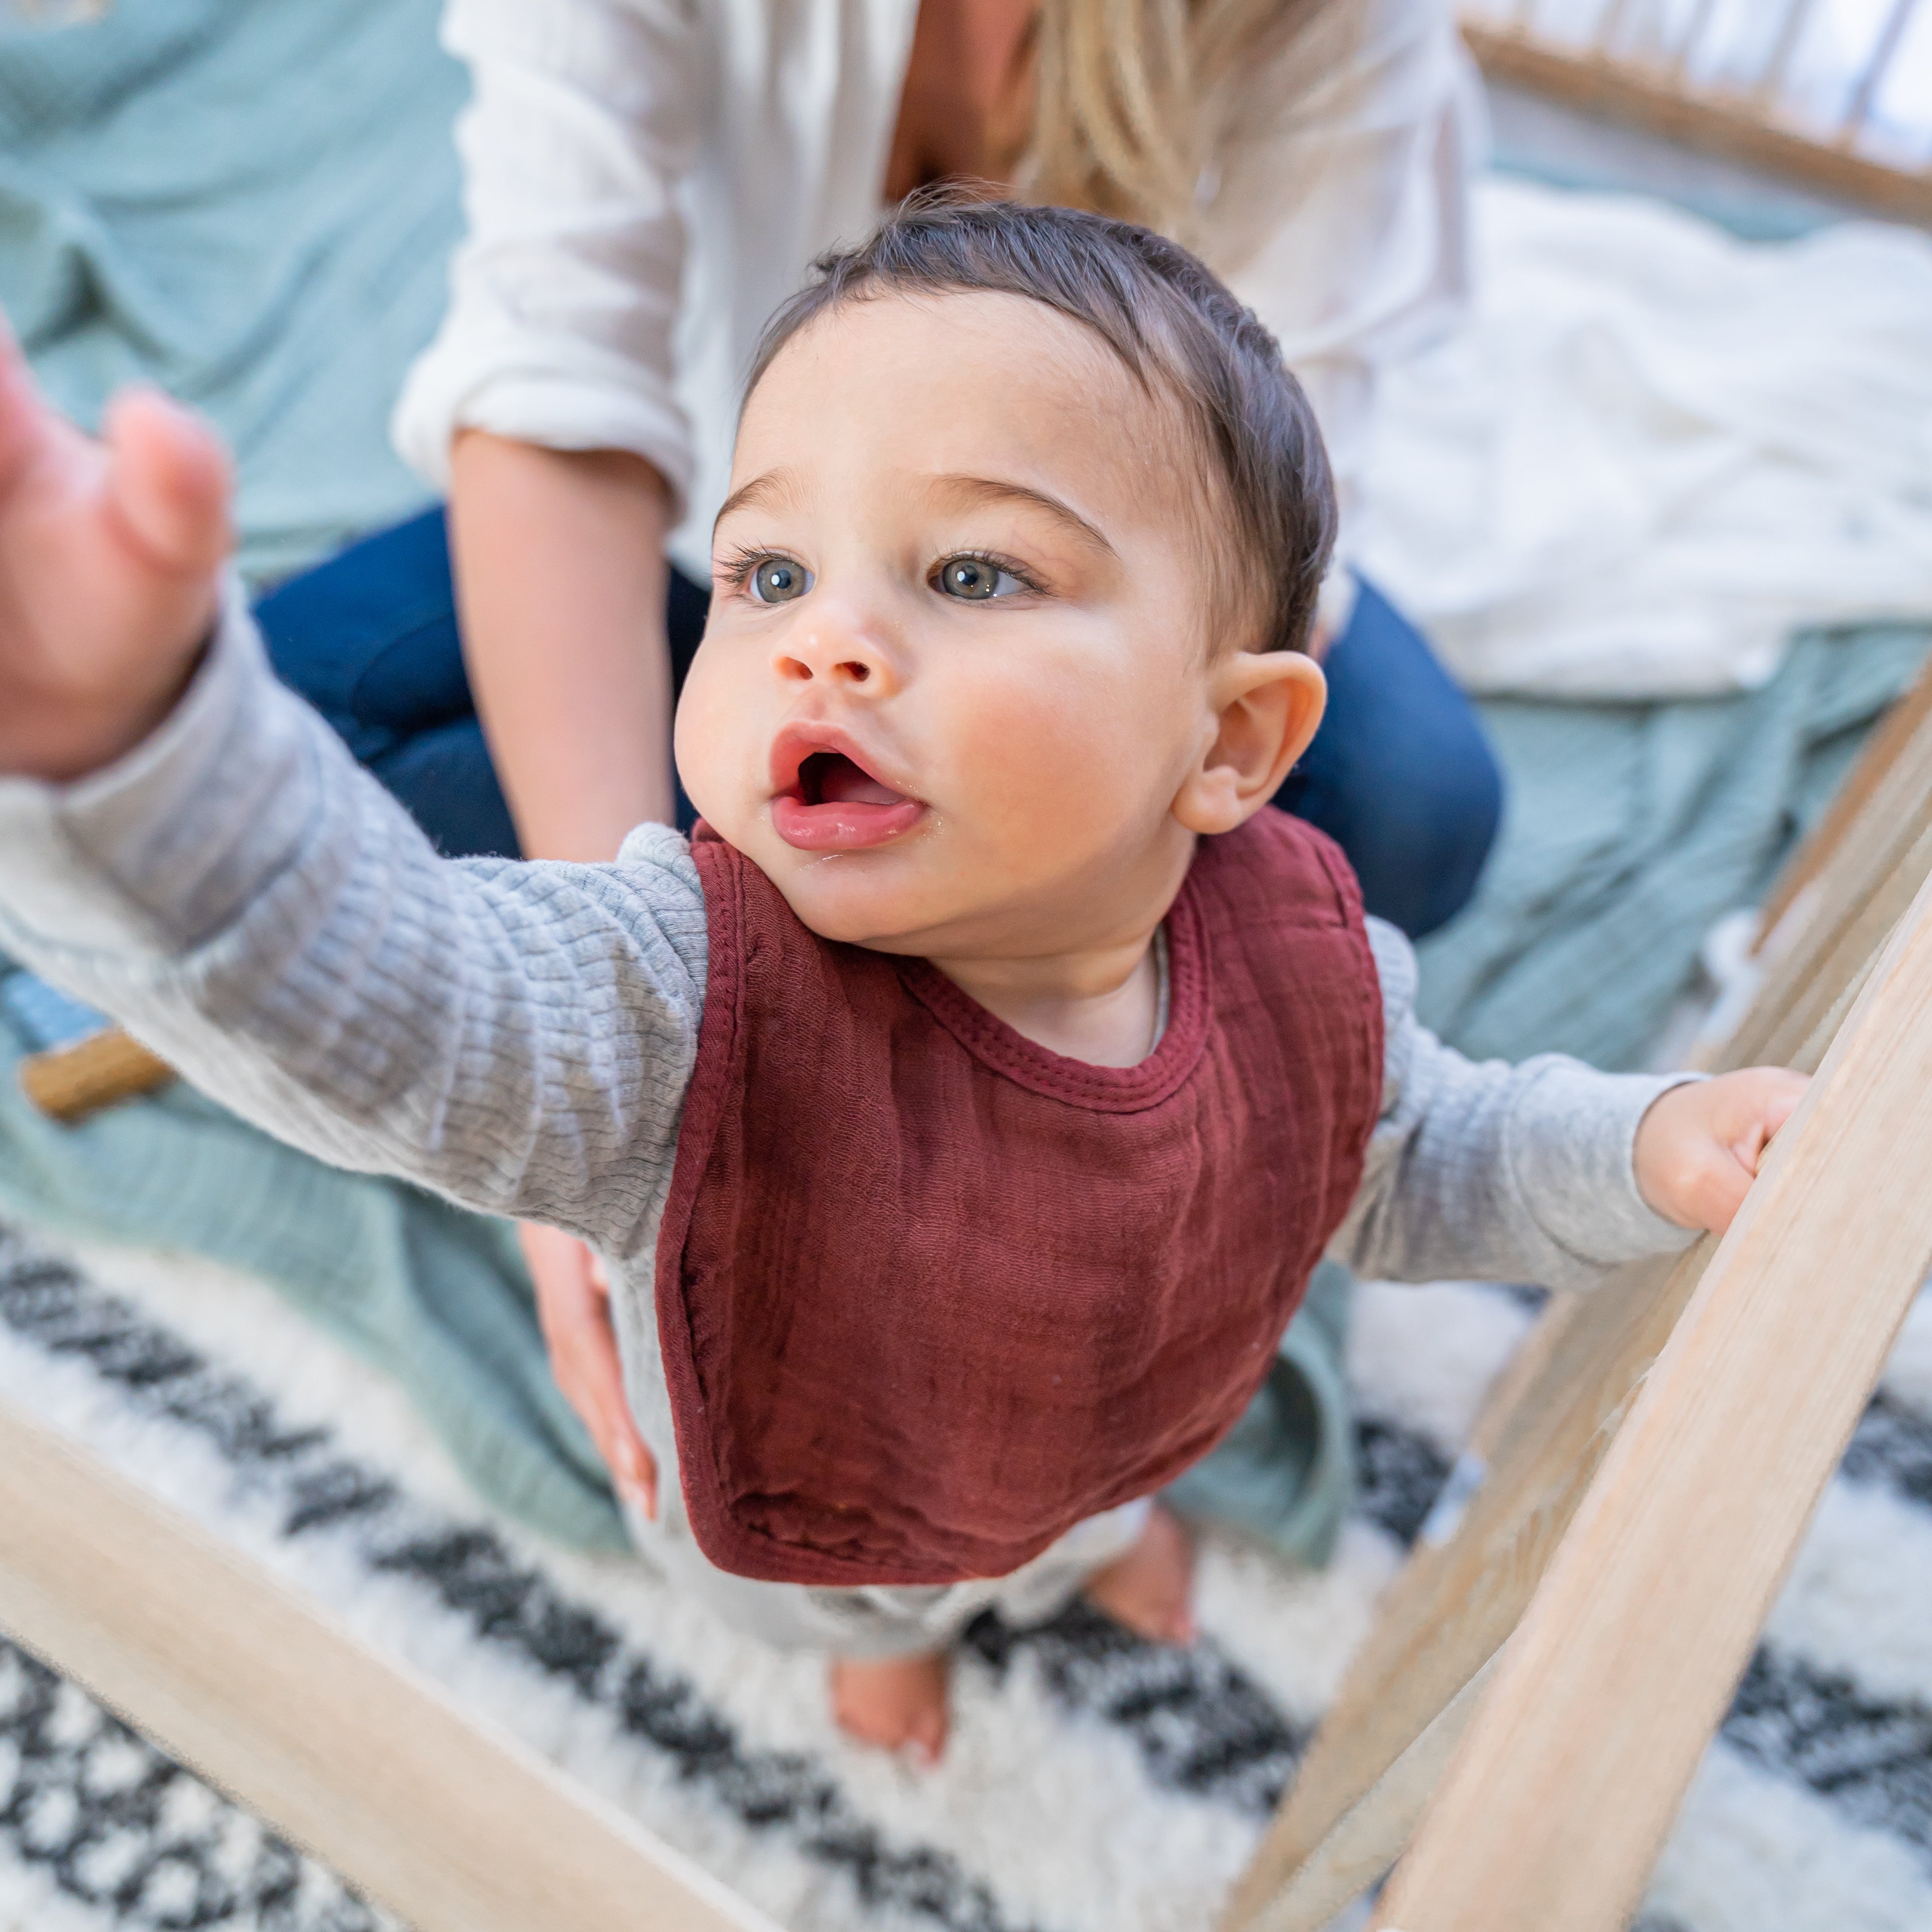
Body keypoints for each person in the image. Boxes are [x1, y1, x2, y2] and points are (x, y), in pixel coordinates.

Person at [0, 200, 1801, 1761]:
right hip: (829, 1507)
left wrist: (1655, 1149)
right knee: (851, 1610)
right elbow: (400, 997)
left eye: (973, 569)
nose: (823, 638)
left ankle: (1090, 1536)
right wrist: (143, 756)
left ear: (1235, 739)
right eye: (766, 569)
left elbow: (1423, 1155)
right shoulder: (681, 998)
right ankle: (899, 1649)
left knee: (1107, 1472)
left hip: (1117, 1407)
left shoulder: (1296, 955)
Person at [255, 0, 1502, 1511]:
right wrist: (608, 1011)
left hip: (1118, 610)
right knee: (267, 751)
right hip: (713, 532)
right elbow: (555, 385)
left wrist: (1063, 974)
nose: (843, 659)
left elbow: (1274, 531)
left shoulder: (1334, 31)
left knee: (1414, 808)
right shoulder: (779, 598)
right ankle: (802, 695)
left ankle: (897, 724)